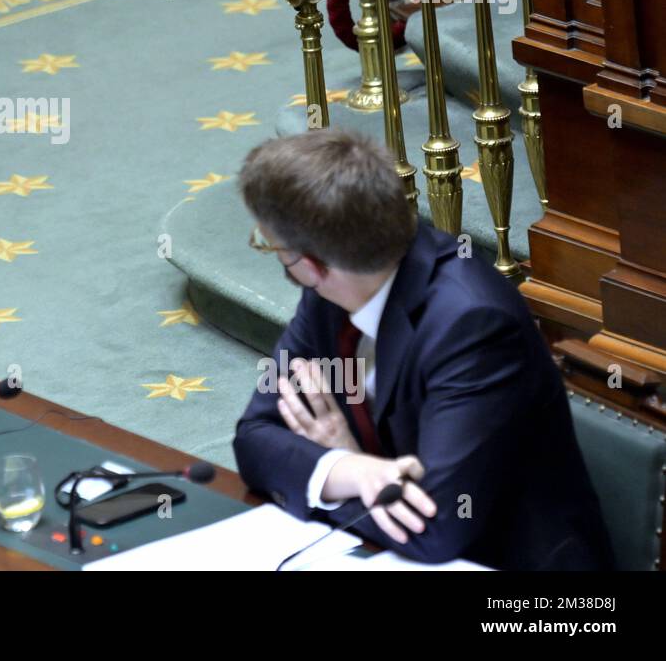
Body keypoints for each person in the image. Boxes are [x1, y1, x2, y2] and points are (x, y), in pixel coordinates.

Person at [231, 130, 614, 570]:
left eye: (270, 246)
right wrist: (350, 470)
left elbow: (436, 528)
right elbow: (255, 439)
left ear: (310, 265)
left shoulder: (472, 325)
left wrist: (328, 473)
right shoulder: (327, 295)